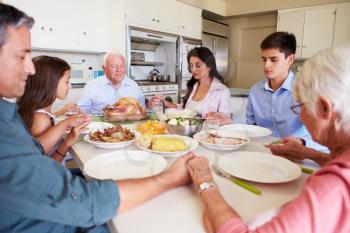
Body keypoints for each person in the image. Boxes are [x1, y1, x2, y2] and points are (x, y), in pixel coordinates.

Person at [0, 3, 194, 232]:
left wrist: (66, 140)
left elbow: (37, 154)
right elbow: (84, 202)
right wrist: (168, 179)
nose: (30, 69)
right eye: (22, 56)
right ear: (106, 67)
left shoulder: (8, 116)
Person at [187, 44, 350, 233]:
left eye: (300, 107)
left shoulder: (334, 187)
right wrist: (309, 153)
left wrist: (205, 181)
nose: (300, 114)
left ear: (324, 108)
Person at [17, 55, 91, 164]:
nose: (69, 86)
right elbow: (43, 167)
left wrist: (67, 138)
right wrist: (66, 128)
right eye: (67, 81)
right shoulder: (40, 119)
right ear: (51, 83)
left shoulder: (38, 112)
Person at [150, 46, 231, 118]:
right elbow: (185, 110)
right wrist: (165, 103)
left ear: (209, 66)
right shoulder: (194, 86)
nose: (193, 69)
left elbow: (226, 121)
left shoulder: (222, 91)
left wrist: (214, 117)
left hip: (207, 133)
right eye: (191, 66)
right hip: (189, 131)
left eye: (198, 65)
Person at [77, 52, 145, 113]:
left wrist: (150, 105)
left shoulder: (133, 85)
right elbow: (81, 111)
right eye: (114, 66)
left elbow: (141, 109)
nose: (119, 70)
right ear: (104, 69)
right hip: (102, 125)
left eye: (122, 66)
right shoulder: (91, 86)